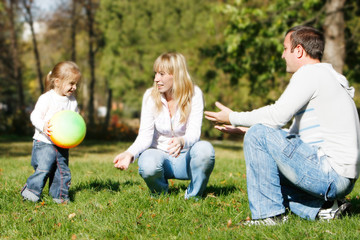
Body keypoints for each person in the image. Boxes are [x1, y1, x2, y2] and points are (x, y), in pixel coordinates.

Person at [205, 25, 360, 225]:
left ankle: (269, 216)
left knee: (260, 136)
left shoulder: (310, 74)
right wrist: (247, 129)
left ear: (299, 50)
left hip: (329, 173)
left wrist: (232, 116)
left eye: (285, 49)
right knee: (266, 171)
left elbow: (277, 116)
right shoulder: (329, 76)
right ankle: (326, 208)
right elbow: (294, 138)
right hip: (342, 178)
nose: (282, 55)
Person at [113, 52, 215, 199]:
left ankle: (193, 196)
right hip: (160, 157)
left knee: (205, 150)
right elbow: (144, 136)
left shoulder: (194, 93)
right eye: (156, 74)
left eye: (161, 74)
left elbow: (194, 133)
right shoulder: (150, 96)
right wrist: (129, 154)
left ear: (176, 75)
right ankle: (160, 194)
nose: (156, 79)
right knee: (147, 162)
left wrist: (182, 141)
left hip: (186, 159)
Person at [21, 61, 82, 204]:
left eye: (76, 84)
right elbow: (35, 116)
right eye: (71, 83)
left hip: (62, 144)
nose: (74, 87)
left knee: (62, 171)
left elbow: (75, 119)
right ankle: (31, 191)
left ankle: (59, 196)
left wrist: (76, 131)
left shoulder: (72, 101)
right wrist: (43, 126)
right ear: (57, 82)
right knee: (44, 169)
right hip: (44, 142)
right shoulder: (47, 98)